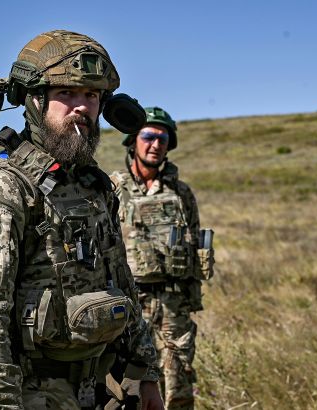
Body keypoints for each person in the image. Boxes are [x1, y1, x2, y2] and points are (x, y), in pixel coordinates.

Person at [0, 30, 163, 409]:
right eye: (67, 93)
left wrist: (146, 375)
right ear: (34, 100)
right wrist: (1, 403)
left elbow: (122, 284)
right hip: (27, 391)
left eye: (91, 95)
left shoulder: (95, 187)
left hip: (96, 388)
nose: (81, 106)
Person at [110, 107, 214, 409]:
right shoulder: (112, 188)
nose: (156, 144)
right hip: (127, 306)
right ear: (133, 141)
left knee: (178, 386)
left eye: (163, 138)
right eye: (149, 136)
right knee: (126, 389)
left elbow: (195, 245)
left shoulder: (181, 194)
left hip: (173, 307)